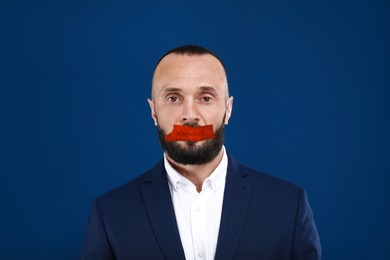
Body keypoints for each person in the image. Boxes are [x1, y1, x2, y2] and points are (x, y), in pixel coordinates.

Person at [80, 45, 321, 260]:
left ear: (228, 109)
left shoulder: (289, 206)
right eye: (173, 98)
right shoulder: (110, 214)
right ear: (153, 112)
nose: (190, 115)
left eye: (205, 98)